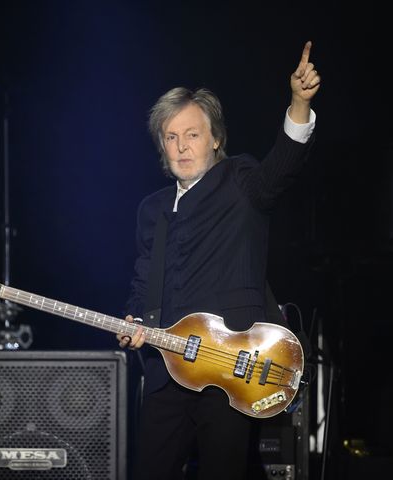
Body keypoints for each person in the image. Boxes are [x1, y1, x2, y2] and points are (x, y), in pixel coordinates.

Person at [116, 41, 321, 479]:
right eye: (171, 137)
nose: (181, 147)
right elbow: (142, 279)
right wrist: (133, 320)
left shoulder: (239, 182)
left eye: (192, 134)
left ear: (215, 139)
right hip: (167, 369)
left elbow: (279, 171)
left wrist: (299, 105)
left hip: (230, 370)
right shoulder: (151, 210)